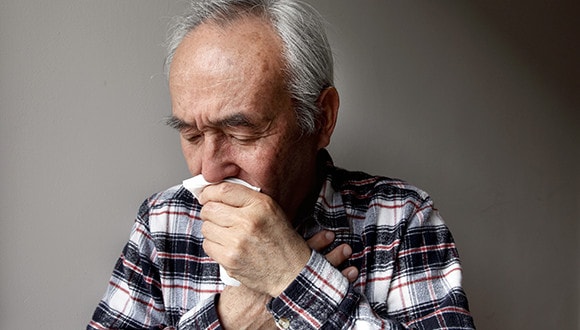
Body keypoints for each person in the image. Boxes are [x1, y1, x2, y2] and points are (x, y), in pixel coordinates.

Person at [88, 0, 475, 329]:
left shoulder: (400, 218)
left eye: (241, 133)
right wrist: (230, 320)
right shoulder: (164, 221)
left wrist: (293, 276)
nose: (207, 171)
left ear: (321, 119)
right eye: (191, 135)